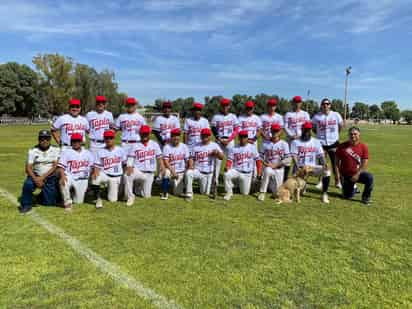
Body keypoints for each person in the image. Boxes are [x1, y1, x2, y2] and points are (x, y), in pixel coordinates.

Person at [20, 130, 60, 214]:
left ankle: (39, 197)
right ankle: (26, 205)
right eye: (42, 139)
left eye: (47, 139)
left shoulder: (56, 149)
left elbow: (55, 166)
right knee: (28, 184)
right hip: (36, 175)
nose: (44, 141)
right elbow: (28, 168)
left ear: (50, 139)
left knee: (49, 203)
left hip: (49, 176)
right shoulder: (33, 150)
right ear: (38, 139)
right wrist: (36, 179)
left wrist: (43, 177)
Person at [290, 121, 331, 204]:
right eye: (305, 130)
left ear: (311, 130)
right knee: (298, 192)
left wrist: (324, 164)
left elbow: (321, 155)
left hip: (312, 167)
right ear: (302, 130)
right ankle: (303, 186)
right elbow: (294, 156)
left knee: (327, 171)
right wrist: (298, 167)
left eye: (308, 130)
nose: (307, 132)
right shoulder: (295, 142)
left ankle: (324, 194)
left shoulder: (316, 141)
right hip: (300, 168)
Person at [125, 125, 163, 205]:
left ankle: (138, 188)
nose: (144, 135)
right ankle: (130, 196)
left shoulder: (154, 144)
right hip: (139, 171)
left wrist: (162, 166)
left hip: (150, 173)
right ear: (139, 134)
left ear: (149, 134)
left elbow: (159, 157)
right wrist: (129, 166)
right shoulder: (135, 145)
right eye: (143, 133)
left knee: (146, 196)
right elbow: (130, 158)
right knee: (127, 175)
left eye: (146, 133)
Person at [336, 127, 373, 205]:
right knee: (347, 196)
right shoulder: (342, 146)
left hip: (357, 174)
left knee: (369, 177)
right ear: (348, 135)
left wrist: (357, 174)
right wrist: (339, 176)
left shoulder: (363, 147)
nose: (353, 136)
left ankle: (366, 197)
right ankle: (353, 188)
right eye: (351, 134)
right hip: (346, 175)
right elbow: (336, 162)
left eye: (355, 134)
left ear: (359, 135)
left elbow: (365, 162)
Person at [312, 98, 344, 189]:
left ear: (330, 105)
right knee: (322, 164)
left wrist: (335, 135)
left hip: (333, 142)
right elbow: (313, 128)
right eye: (323, 104)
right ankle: (320, 182)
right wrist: (319, 135)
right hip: (321, 143)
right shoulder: (317, 116)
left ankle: (338, 182)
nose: (325, 105)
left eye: (327, 104)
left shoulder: (336, 115)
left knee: (336, 164)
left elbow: (340, 126)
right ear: (321, 105)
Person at [58, 133, 94, 211]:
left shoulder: (87, 153)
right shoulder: (66, 152)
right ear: (71, 142)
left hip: (83, 179)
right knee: (63, 182)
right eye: (74, 141)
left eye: (78, 141)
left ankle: (72, 193)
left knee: (79, 202)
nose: (76, 143)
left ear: (81, 142)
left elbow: (92, 167)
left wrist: (91, 181)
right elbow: (60, 167)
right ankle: (67, 202)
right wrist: (62, 176)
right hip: (70, 176)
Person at [185, 128, 224, 200]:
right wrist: (190, 165)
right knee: (189, 173)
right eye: (203, 136)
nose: (205, 137)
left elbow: (222, 157)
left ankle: (204, 186)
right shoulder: (196, 146)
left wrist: (217, 153)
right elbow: (191, 157)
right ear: (200, 136)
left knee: (205, 193)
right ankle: (189, 193)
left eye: (207, 136)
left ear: (210, 136)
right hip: (198, 171)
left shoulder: (214, 145)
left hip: (209, 173)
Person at [91, 130, 126, 209]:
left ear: (114, 139)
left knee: (113, 200)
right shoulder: (100, 151)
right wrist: (95, 173)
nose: (109, 140)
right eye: (107, 138)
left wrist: (124, 177)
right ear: (104, 139)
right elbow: (96, 165)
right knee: (95, 178)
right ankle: (98, 198)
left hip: (117, 177)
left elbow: (125, 164)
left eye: (111, 138)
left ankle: (109, 189)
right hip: (105, 175)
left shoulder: (120, 150)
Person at [223, 130, 262, 200]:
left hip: (247, 174)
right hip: (236, 171)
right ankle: (229, 192)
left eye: (244, 137)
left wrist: (259, 173)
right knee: (226, 174)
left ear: (247, 138)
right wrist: (227, 167)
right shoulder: (234, 148)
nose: (243, 139)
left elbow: (258, 161)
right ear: (238, 138)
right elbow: (229, 160)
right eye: (241, 137)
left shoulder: (252, 148)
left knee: (244, 193)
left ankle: (236, 185)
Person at [257, 124, 291, 201]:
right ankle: (262, 192)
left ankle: (268, 185)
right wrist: (266, 164)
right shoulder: (265, 143)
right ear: (271, 131)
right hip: (269, 168)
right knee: (267, 170)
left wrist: (276, 165)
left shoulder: (284, 144)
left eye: (277, 131)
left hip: (280, 170)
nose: (275, 132)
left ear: (280, 132)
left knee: (276, 193)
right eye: (274, 130)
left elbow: (288, 159)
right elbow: (259, 157)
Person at [211, 98, 239, 186]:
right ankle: (215, 180)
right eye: (223, 105)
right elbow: (213, 129)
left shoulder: (233, 116)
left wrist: (229, 140)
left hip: (229, 141)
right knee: (217, 161)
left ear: (229, 106)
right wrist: (219, 139)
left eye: (226, 105)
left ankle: (230, 180)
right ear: (221, 106)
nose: (225, 107)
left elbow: (236, 129)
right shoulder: (216, 116)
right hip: (219, 141)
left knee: (231, 159)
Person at [284, 95, 311, 181]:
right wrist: (291, 135)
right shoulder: (288, 114)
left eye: (299, 102)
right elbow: (285, 126)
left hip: (301, 140)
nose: (297, 104)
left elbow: (308, 126)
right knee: (288, 160)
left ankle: (298, 179)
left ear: (301, 103)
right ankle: (285, 179)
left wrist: (301, 135)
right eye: (295, 102)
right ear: (292, 103)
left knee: (299, 161)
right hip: (290, 139)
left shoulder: (305, 114)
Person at [161, 128, 190, 200]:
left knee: (177, 193)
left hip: (180, 172)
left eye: (177, 135)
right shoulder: (167, 147)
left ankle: (176, 184)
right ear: (171, 137)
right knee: (166, 172)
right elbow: (166, 161)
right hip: (171, 172)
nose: (176, 137)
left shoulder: (184, 146)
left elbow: (187, 161)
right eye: (174, 135)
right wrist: (172, 171)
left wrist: (186, 172)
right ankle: (165, 192)